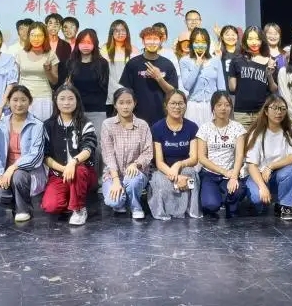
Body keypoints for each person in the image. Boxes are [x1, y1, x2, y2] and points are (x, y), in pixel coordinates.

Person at [0, 86, 48, 222]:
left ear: (30, 102)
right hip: (5, 174)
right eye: (15, 100)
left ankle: (23, 210)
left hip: (28, 173)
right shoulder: (1, 125)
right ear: (8, 102)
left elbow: (36, 156)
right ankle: (19, 204)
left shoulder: (37, 125)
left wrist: (13, 167)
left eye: (23, 100)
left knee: (18, 175)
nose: (19, 104)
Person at [41, 85, 98, 226]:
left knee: (78, 170)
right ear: (56, 101)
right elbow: (45, 156)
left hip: (83, 172)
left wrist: (73, 162)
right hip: (58, 174)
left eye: (71, 99)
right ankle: (72, 198)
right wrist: (64, 169)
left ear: (77, 101)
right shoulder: (48, 125)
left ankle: (79, 209)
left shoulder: (85, 123)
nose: (66, 102)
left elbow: (89, 148)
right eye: (62, 99)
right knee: (51, 206)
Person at [243, 94, 292, 221]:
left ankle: (284, 205)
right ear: (266, 111)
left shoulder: (291, 129)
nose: (278, 112)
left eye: (282, 108)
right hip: (259, 175)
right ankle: (265, 196)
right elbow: (251, 165)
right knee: (257, 199)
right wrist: (262, 186)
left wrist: (270, 167)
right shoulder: (257, 132)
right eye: (274, 108)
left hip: (280, 173)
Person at [101, 88, 154, 219]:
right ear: (115, 105)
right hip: (114, 174)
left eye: (129, 102)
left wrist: (136, 164)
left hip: (136, 172)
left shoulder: (142, 125)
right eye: (121, 102)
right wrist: (116, 181)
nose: (125, 106)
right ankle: (123, 197)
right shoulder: (107, 125)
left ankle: (136, 206)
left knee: (133, 180)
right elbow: (108, 155)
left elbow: (148, 152)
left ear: (134, 103)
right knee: (114, 202)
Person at [148, 90, 201, 220]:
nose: (177, 107)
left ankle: (189, 210)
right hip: (163, 170)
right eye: (173, 103)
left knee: (191, 177)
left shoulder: (192, 127)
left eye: (180, 103)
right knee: (161, 182)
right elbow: (159, 162)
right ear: (166, 105)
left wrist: (179, 165)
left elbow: (194, 158)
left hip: (185, 168)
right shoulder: (157, 128)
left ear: (185, 105)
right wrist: (175, 176)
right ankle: (167, 211)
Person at [197, 91, 249, 218]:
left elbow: (239, 155)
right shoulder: (205, 128)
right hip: (210, 174)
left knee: (237, 192)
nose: (223, 108)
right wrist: (223, 172)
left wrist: (234, 176)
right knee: (211, 205)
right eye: (219, 105)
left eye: (227, 105)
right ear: (213, 107)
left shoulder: (237, 127)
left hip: (231, 173)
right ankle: (217, 198)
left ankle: (229, 202)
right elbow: (202, 158)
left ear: (231, 107)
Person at [119, 26, 179, 125]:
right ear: (143, 41)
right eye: (148, 39)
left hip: (162, 117)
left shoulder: (167, 64)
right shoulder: (133, 63)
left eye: (155, 39)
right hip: (137, 117)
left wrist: (159, 78)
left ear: (161, 41)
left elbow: (173, 92)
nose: (152, 42)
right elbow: (126, 92)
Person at [65, 29, 109, 142]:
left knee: (97, 143)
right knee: (76, 143)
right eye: (82, 42)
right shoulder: (71, 63)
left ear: (95, 44)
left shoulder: (102, 63)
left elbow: (105, 88)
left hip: (97, 111)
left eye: (89, 42)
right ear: (77, 44)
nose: (85, 46)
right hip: (76, 111)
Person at [228, 26, 275, 131]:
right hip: (241, 113)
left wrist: (269, 74)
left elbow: (273, 89)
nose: (254, 42)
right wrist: (232, 73)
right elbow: (232, 88)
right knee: (242, 140)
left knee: (260, 140)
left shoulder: (270, 61)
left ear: (262, 41)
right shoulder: (236, 60)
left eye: (257, 39)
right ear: (245, 40)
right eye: (250, 39)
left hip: (262, 112)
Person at [179, 28, 227, 126]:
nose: (200, 45)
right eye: (197, 42)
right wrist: (197, 65)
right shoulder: (184, 61)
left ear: (208, 44)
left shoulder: (216, 60)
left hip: (212, 106)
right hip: (193, 106)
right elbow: (187, 85)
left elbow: (221, 87)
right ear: (192, 43)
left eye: (203, 42)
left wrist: (222, 106)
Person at [15, 22, 59, 121]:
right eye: (33, 35)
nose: (36, 38)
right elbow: (15, 79)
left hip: (43, 97)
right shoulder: (20, 54)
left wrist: (47, 71)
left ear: (45, 37)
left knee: (43, 127)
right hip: (24, 97)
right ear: (28, 36)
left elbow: (54, 81)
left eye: (39, 35)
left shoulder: (51, 54)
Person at [102, 19, 137, 115]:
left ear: (127, 32)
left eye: (123, 30)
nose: (120, 33)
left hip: (128, 94)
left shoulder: (134, 50)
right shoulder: (104, 49)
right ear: (111, 33)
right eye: (116, 30)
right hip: (109, 95)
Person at [45, 13, 73, 89]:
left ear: (60, 27)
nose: (53, 26)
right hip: (42, 83)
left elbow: (66, 66)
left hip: (59, 84)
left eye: (56, 24)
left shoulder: (66, 45)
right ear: (46, 25)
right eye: (50, 23)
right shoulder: (41, 43)